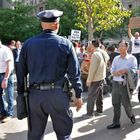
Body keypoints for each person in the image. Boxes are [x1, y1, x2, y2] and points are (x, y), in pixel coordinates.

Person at [16, 9, 83, 140]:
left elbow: (20, 73)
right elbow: (74, 73)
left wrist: (21, 94)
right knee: (64, 135)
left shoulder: (28, 44)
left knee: (35, 136)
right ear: (57, 24)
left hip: (35, 97)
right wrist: (78, 94)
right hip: (58, 95)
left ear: (42, 24)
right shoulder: (66, 43)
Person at [107, 41, 137, 129]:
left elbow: (135, 71)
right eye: (119, 46)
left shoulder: (132, 58)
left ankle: (130, 115)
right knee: (115, 104)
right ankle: (116, 122)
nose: (120, 48)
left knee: (126, 104)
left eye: (122, 46)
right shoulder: (116, 58)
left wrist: (126, 70)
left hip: (125, 85)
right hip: (116, 84)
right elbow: (112, 70)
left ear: (127, 47)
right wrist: (114, 73)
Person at [82, 39, 109, 118]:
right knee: (99, 95)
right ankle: (99, 111)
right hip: (101, 76)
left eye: (90, 44)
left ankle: (89, 113)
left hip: (95, 78)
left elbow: (93, 69)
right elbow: (107, 59)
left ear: (92, 45)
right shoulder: (102, 52)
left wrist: (89, 80)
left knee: (91, 96)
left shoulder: (95, 54)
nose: (89, 46)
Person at [0, 39, 14, 123]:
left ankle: (9, 114)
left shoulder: (5, 50)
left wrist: (5, 79)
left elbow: (9, 65)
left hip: (6, 75)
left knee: (9, 95)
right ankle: (3, 112)